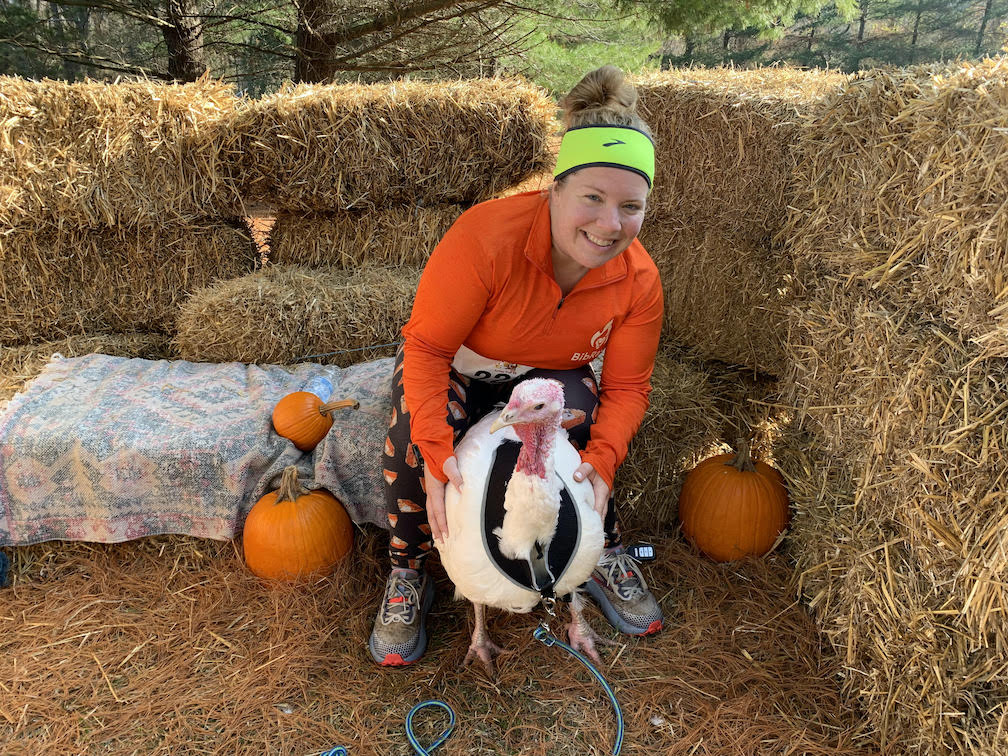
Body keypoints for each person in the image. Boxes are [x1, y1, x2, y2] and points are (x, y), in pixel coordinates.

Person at [369, 64, 664, 666]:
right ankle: (409, 567)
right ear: (554, 189)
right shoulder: (484, 238)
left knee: (580, 424)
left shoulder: (640, 280)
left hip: (548, 379)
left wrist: (603, 462)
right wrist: (432, 445)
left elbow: (630, 387)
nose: (610, 225)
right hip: (459, 367)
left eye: (630, 206)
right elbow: (426, 350)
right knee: (409, 437)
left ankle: (596, 546)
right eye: (592, 198)